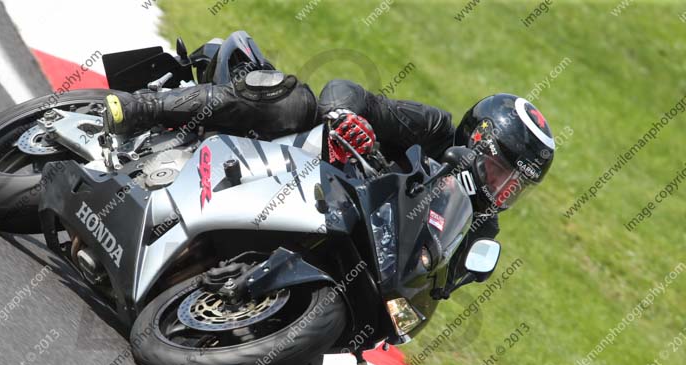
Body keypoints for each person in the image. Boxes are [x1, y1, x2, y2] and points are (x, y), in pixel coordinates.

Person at [102, 70, 555, 283]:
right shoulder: (433, 128)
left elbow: (432, 284)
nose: (504, 189)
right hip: (300, 168)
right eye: (502, 171)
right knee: (295, 98)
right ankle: (145, 107)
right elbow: (351, 91)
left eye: (517, 185)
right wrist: (343, 117)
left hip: (336, 241)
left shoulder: (479, 224)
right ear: (478, 140)